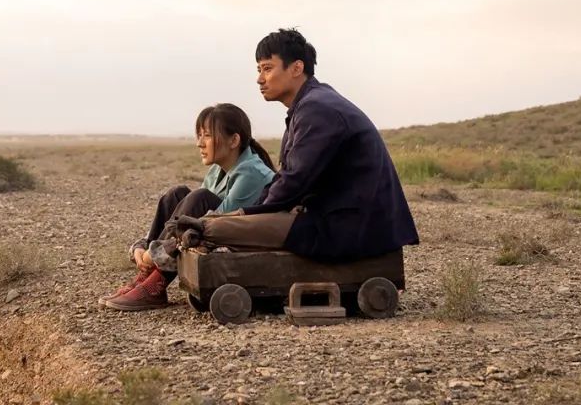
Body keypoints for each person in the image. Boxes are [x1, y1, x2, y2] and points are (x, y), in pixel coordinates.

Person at [173, 28, 419, 263]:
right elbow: (288, 180)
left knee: (209, 228)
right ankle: (158, 265)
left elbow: (293, 181)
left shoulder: (317, 109)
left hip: (347, 227)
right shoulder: (310, 105)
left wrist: (245, 215)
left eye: (267, 68)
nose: (260, 79)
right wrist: (248, 213)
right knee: (213, 222)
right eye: (259, 70)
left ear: (296, 68)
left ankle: (157, 274)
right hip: (336, 218)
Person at [100, 103, 275, 311]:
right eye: (199, 135)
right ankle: (145, 275)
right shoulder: (217, 170)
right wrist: (147, 248)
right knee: (176, 195)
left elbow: (216, 222)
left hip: (248, 239)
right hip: (222, 231)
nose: (199, 143)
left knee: (199, 199)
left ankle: (155, 284)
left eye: (207, 136)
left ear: (234, 140)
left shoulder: (251, 173)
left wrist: (156, 254)